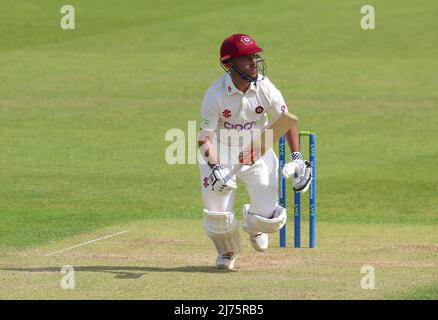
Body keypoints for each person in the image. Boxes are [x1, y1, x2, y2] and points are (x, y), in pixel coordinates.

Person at [198, 33, 312, 270]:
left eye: (254, 56)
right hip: (221, 151)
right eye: (245, 58)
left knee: (271, 220)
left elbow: (286, 120)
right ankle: (228, 252)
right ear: (229, 64)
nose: (253, 62)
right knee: (217, 217)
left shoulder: (265, 87)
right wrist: (216, 169)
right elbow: (204, 139)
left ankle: (253, 224)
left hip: (257, 149)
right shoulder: (215, 94)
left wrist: (298, 159)